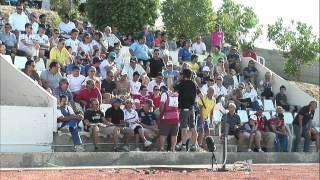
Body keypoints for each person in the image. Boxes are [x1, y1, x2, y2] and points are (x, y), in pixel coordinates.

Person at [175, 68, 198, 151]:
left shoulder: (182, 83)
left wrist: (178, 79)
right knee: (193, 127)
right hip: (192, 108)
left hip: (184, 108)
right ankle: (194, 145)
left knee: (184, 128)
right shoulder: (194, 84)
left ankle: (184, 145)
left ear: (184, 75)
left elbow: (172, 88)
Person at [159, 79, 179, 151]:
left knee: (163, 133)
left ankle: (162, 148)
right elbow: (178, 107)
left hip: (166, 116)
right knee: (174, 134)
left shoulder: (165, 94)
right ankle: (173, 149)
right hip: (175, 117)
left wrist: (161, 114)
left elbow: (161, 105)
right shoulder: (177, 95)